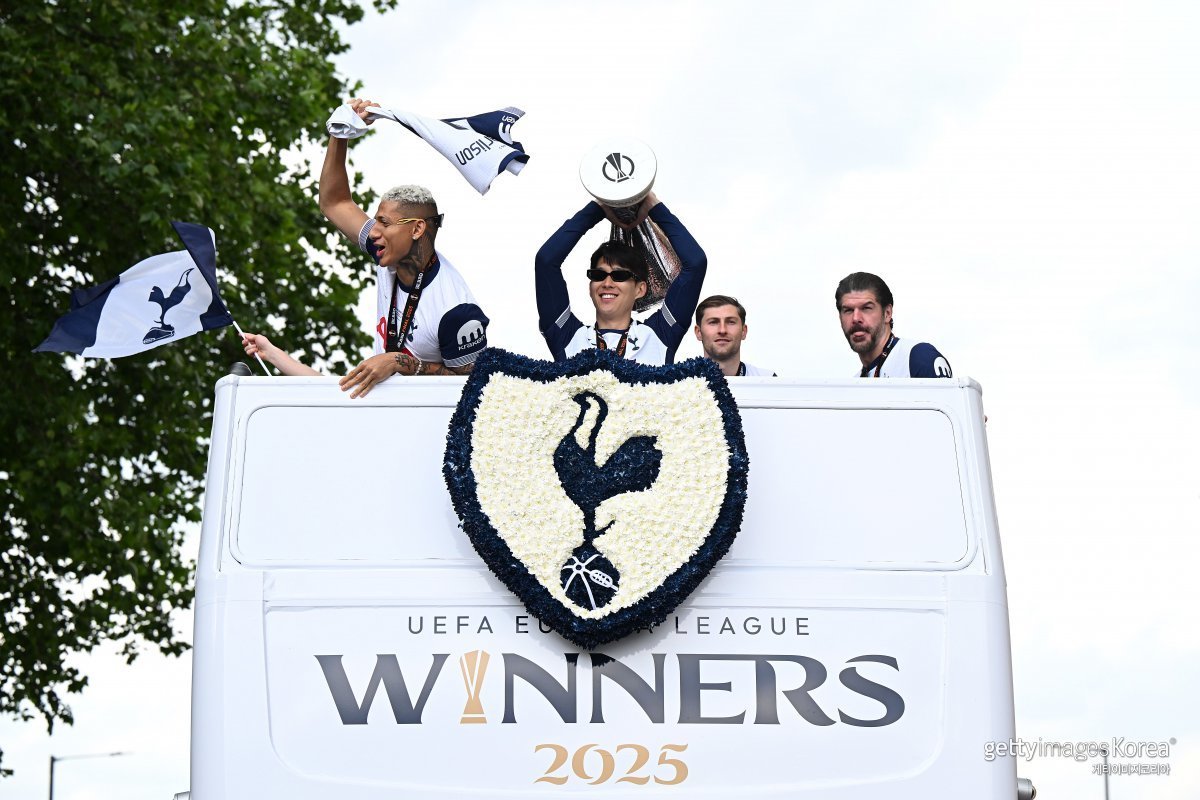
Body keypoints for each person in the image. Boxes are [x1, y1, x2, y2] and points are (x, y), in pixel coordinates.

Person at [242, 98, 489, 398]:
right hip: (385, 413)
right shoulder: (387, 252)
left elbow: (473, 387)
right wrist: (339, 135)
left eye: (384, 222)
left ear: (416, 229)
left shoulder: (456, 311)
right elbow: (335, 202)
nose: (375, 231)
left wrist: (400, 363)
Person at [534, 192, 705, 364]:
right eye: (599, 275)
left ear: (640, 289)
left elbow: (695, 263)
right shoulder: (566, 336)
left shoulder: (660, 334)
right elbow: (545, 262)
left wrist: (651, 204)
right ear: (590, 287)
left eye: (619, 275)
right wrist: (599, 207)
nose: (607, 283)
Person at [835, 272, 952, 378]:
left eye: (866, 308)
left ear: (887, 313)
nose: (856, 318)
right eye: (848, 310)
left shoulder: (919, 357)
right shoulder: (853, 384)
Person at [693, 295, 775, 376]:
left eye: (731, 322)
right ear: (698, 332)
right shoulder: (685, 380)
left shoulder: (768, 380)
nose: (722, 330)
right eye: (713, 322)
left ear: (743, 331)